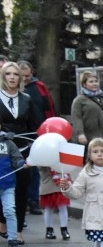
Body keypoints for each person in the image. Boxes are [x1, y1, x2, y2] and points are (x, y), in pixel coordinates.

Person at [0, 61, 36, 243]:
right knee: (3, 188)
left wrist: (34, 149)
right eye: (8, 74)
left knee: (22, 190)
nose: (12, 77)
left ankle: (19, 228)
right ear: (3, 77)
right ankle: (2, 221)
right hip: (2, 152)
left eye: (15, 74)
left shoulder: (26, 99)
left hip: (22, 150)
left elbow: (32, 126)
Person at [19, 60, 56, 215]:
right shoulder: (14, 89)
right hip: (21, 132)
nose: (26, 79)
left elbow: (49, 106)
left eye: (28, 75)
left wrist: (52, 127)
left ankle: (33, 199)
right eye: (23, 76)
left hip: (39, 130)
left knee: (34, 168)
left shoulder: (39, 87)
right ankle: (23, 197)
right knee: (23, 167)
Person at [70, 70, 103, 146]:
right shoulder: (79, 100)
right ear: (84, 84)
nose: (95, 84)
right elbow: (77, 118)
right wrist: (80, 134)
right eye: (91, 82)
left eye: (96, 81)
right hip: (90, 139)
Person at [0, 127, 25, 247]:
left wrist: (21, 163)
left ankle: (12, 239)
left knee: (9, 210)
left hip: (7, 184)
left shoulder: (9, 142)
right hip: (7, 183)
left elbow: (17, 159)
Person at [39, 167, 71, 241]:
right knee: (49, 208)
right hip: (48, 183)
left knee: (63, 206)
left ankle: (64, 229)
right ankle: (49, 229)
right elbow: (40, 166)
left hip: (61, 183)